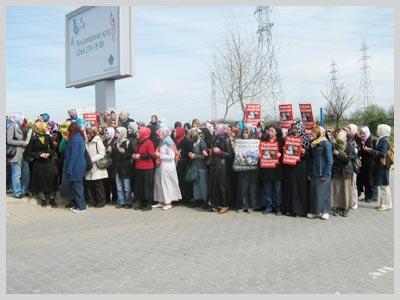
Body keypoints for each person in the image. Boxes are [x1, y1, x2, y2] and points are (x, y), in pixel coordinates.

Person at [282, 121, 311, 217]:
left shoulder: (306, 138)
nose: (294, 130)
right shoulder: (288, 137)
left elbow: (310, 154)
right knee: (291, 187)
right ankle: (289, 209)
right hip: (290, 166)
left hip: (301, 167)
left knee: (300, 187)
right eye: (293, 128)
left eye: (296, 128)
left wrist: (304, 151)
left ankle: (299, 210)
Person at [24, 121, 55, 207]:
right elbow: (28, 152)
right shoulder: (33, 139)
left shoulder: (48, 137)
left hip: (48, 162)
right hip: (38, 163)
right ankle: (43, 199)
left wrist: (49, 154)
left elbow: (53, 149)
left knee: (49, 180)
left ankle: (51, 199)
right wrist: (39, 155)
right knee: (41, 181)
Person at [307, 125, 334, 220]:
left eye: (314, 132)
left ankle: (325, 211)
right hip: (314, 172)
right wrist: (310, 173)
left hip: (323, 172)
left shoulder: (326, 144)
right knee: (315, 193)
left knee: (323, 193)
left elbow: (330, 160)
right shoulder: (313, 144)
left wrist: (326, 173)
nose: (312, 134)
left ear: (319, 133)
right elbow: (311, 159)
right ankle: (316, 211)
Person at [363, 124, 392, 211]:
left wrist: (371, 150)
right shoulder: (381, 139)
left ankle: (386, 204)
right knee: (383, 185)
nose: (376, 131)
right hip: (380, 166)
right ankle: (384, 204)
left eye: (378, 129)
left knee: (384, 186)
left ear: (382, 130)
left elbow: (382, 153)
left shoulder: (384, 141)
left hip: (382, 166)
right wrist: (371, 151)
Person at [152, 126, 182, 210]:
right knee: (159, 183)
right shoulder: (162, 142)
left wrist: (159, 155)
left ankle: (168, 202)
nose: (157, 136)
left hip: (167, 166)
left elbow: (171, 156)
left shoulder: (169, 142)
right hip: (160, 166)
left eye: (159, 134)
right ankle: (161, 201)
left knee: (166, 184)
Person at [208, 124, 234, 214]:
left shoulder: (226, 139)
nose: (214, 129)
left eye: (216, 128)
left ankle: (224, 205)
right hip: (215, 164)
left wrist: (219, 152)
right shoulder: (215, 138)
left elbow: (230, 154)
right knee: (215, 185)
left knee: (222, 185)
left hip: (223, 165)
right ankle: (216, 204)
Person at [330, 129, 356, 217]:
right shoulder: (334, 146)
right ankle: (336, 207)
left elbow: (347, 160)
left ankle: (345, 208)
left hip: (346, 172)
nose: (340, 144)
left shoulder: (349, 147)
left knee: (346, 190)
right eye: (338, 142)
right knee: (337, 190)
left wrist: (338, 154)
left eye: (341, 142)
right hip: (336, 171)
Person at [259, 125, 284, 215]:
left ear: (276, 132)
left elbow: (288, 155)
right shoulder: (264, 141)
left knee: (277, 190)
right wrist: (260, 155)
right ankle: (268, 207)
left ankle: (278, 208)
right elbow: (261, 153)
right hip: (267, 169)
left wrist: (281, 155)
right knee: (267, 190)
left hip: (277, 170)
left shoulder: (281, 142)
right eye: (269, 131)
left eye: (272, 131)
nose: (270, 132)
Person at [64, 121, 87, 213]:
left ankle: (81, 207)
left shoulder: (74, 139)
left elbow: (73, 155)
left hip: (75, 166)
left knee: (77, 187)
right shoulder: (79, 137)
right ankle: (78, 206)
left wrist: (69, 168)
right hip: (79, 165)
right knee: (78, 186)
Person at [235, 125, 259, 214]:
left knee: (251, 188)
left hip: (252, 169)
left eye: (247, 133)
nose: (245, 135)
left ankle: (250, 206)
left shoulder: (255, 143)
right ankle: (241, 206)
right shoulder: (239, 143)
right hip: (242, 168)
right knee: (242, 187)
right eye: (244, 133)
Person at [6, 113, 31, 199]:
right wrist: (22, 143)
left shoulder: (18, 126)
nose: (22, 120)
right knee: (17, 174)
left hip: (22, 153)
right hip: (15, 154)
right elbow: (9, 141)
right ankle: (17, 192)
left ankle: (24, 190)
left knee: (25, 173)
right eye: (21, 118)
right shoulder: (11, 127)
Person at [133, 126, 156, 211]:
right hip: (139, 167)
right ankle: (142, 203)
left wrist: (140, 156)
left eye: (139, 132)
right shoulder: (139, 142)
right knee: (141, 187)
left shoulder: (149, 142)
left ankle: (148, 204)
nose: (137, 134)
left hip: (147, 168)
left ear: (143, 134)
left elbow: (152, 155)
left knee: (147, 187)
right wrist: (135, 155)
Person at [85, 128, 108, 208]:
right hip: (89, 166)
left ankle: (101, 201)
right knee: (91, 185)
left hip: (97, 166)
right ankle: (94, 201)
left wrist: (92, 159)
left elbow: (102, 153)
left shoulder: (97, 141)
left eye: (88, 133)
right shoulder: (86, 142)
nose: (87, 135)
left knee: (98, 185)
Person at [112, 127, 134, 209]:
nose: (116, 134)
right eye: (116, 132)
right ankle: (121, 202)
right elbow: (113, 156)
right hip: (117, 168)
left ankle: (128, 202)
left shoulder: (127, 142)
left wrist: (124, 152)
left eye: (117, 132)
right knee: (119, 187)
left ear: (122, 133)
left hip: (126, 168)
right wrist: (110, 151)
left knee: (127, 188)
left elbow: (131, 154)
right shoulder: (115, 143)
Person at [188, 127, 208, 208]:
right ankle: (197, 199)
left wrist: (195, 155)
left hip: (201, 167)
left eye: (193, 132)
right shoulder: (195, 142)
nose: (192, 134)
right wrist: (190, 154)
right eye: (191, 132)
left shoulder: (202, 142)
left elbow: (205, 156)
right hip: (195, 166)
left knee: (202, 184)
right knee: (195, 184)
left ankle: (205, 200)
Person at [355, 126, 377, 203]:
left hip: (371, 164)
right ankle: (367, 197)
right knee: (366, 180)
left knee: (371, 180)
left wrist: (369, 150)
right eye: (361, 133)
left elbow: (376, 153)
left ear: (367, 133)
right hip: (364, 164)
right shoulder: (362, 141)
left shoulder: (372, 140)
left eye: (363, 133)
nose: (362, 134)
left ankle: (373, 197)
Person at [174, 126, 193, 206]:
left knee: (185, 182)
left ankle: (186, 198)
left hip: (185, 163)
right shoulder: (175, 141)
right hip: (178, 163)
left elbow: (190, 152)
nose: (174, 133)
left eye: (175, 132)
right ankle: (180, 198)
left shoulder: (187, 141)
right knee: (179, 181)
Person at [103, 127, 118, 204]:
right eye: (105, 133)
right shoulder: (104, 142)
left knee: (113, 182)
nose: (106, 134)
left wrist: (112, 150)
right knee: (106, 182)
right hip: (106, 165)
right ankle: (107, 198)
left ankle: (115, 198)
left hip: (113, 164)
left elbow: (116, 152)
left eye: (107, 133)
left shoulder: (115, 142)